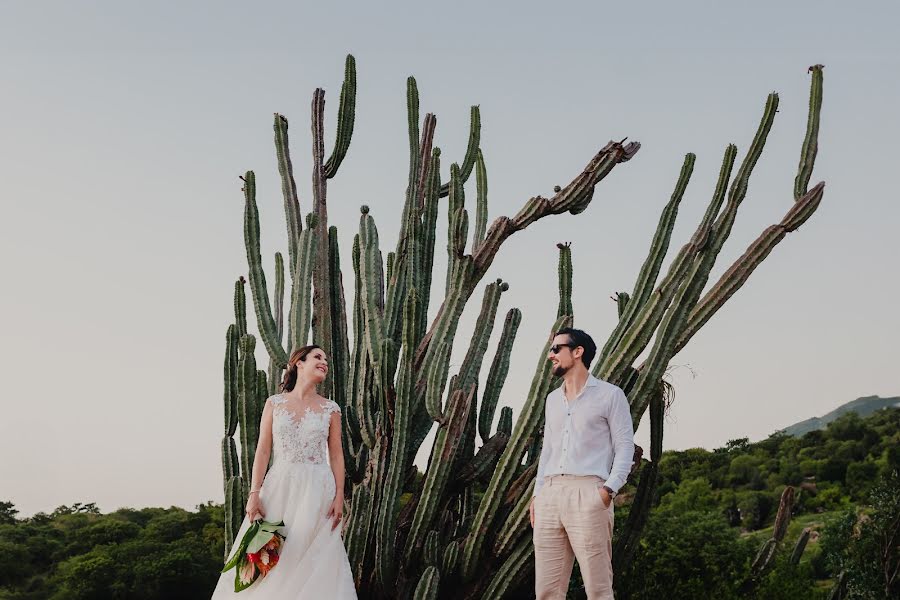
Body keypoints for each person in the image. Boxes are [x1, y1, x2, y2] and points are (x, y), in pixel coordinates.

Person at [212, 345, 357, 598]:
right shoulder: (274, 403)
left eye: (326, 359)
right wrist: (254, 493)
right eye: (317, 357)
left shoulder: (330, 409)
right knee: (271, 554)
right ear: (299, 363)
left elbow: (336, 455)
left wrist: (339, 496)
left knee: (310, 553)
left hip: (317, 489)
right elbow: (263, 451)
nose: (324, 362)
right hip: (279, 486)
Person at [530, 328, 635, 600]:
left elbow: (625, 448)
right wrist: (537, 495)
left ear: (578, 352)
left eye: (557, 349)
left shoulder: (610, 396)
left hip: (588, 493)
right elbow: (548, 451)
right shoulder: (552, 400)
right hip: (550, 495)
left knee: (598, 589)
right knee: (547, 591)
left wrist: (607, 491)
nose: (550, 355)